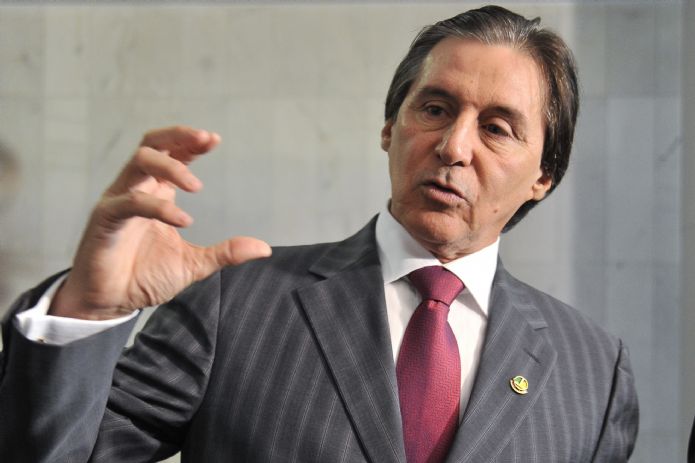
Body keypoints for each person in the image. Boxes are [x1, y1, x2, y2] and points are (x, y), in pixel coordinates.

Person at [0, 5, 638, 462]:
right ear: (390, 128)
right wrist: (87, 311)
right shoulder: (235, 303)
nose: (453, 146)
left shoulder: (592, 369)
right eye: (435, 109)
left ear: (544, 175)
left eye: (496, 128)